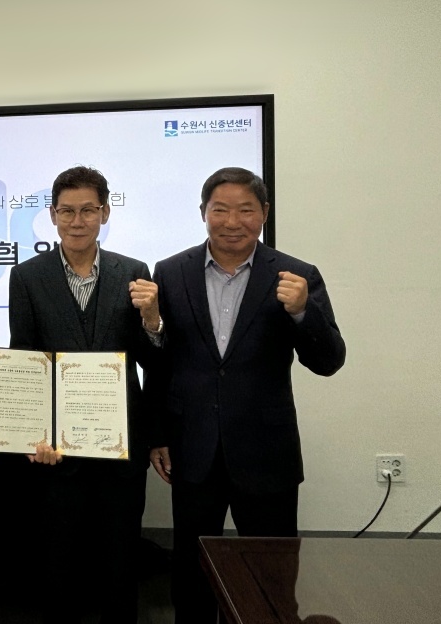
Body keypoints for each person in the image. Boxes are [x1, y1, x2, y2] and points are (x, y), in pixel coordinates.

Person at [148, 167, 346, 623]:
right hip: (193, 448)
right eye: (220, 210)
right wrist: (157, 434)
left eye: (245, 210)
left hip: (266, 451)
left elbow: (329, 360)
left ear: (264, 213)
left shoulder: (297, 275)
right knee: (191, 575)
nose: (232, 222)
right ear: (203, 212)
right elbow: (163, 362)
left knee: (271, 577)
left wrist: (303, 312)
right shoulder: (171, 272)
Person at [3, 165, 161, 624]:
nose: (77, 221)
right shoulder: (27, 276)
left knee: (121, 560)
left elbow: (152, 359)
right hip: (58, 449)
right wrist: (33, 435)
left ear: (105, 213)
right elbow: (26, 360)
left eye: (88, 210)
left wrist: (153, 320)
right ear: (52, 215)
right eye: (67, 211)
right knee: (59, 562)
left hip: (120, 446)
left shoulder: (134, 273)